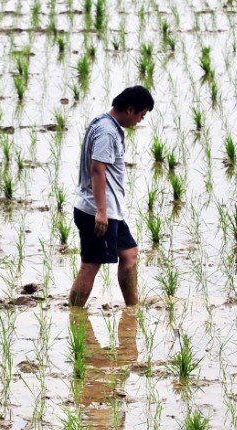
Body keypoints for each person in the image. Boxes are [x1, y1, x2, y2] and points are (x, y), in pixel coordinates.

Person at [69, 85, 154, 307]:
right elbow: (98, 169)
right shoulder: (107, 131)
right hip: (97, 211)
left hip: (108, 210)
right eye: (141, 115)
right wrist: (102, 212)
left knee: (129, 254)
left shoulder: (103, 123)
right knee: (90, 265)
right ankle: (75, 316)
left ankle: (132, 309)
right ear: (130, 109)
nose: (139, 121)